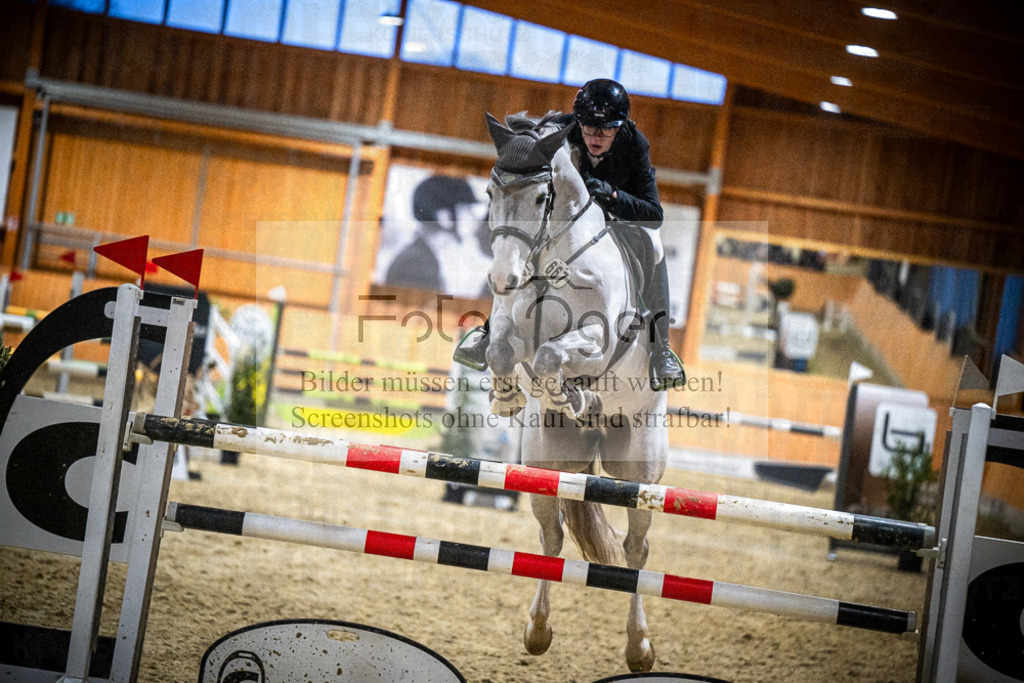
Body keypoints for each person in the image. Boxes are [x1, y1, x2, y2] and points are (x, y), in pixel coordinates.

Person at [454, 78, 685, 390]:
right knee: (520, 248)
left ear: (621, 126)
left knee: (654, 247)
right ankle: (489, 332)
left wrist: (612, 195)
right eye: (588, 127)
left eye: (606, 129)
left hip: (616, 220)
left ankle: (661, 350)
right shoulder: (562, 130)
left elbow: (653, 214)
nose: (595, 136)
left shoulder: (634, 144)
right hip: (567, 223)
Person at [384, 175, 491, 298]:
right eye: (468, 209)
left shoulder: (422, 258)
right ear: (446, 216)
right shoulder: (415, 266)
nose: (475, 217)